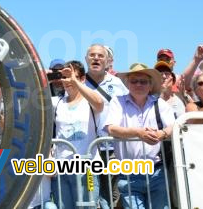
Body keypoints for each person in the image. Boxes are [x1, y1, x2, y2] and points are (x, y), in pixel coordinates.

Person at [104, 63, 174, 209]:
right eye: (134, 81)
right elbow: (111, 128)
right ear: (127, 84)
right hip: (129, 173)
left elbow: (174, 126)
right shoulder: (118, 101)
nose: (138, 84)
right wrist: (138, 132)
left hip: (157, 171)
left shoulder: (159, 103)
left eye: (143, 81)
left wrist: (162, 133)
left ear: (150, 85)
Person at [51, 61, 105, 209]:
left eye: (71, 77)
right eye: (65, 77)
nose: (68, 81)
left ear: (82, 79)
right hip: (61, 167)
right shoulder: (57, 103)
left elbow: (99, 103)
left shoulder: (90, 101)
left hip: (87, 167)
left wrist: (75, 81)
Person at [84, 44, 128, 209]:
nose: (96, 58)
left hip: (113, 148)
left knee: (114, 192)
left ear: (108, 61)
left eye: (100, 56)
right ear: (86, 59)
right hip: (88, 149)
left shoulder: (117, 83)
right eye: (92, 55)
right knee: (92, 192)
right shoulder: (79, 82)